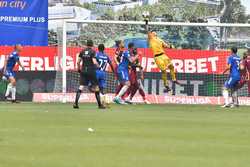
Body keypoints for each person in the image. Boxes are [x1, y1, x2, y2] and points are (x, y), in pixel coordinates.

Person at [73, 40, 105, 109]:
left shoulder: (82, 51)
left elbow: (78, 62)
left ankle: (75, 103)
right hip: (91, 71)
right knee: (96, 87)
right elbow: (94, 61)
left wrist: (79, 69)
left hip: (83, 70)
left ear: (86, 45)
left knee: (81, 86)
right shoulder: (93, 52)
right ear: (92, 45)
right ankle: (99, 105)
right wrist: (98, 66)